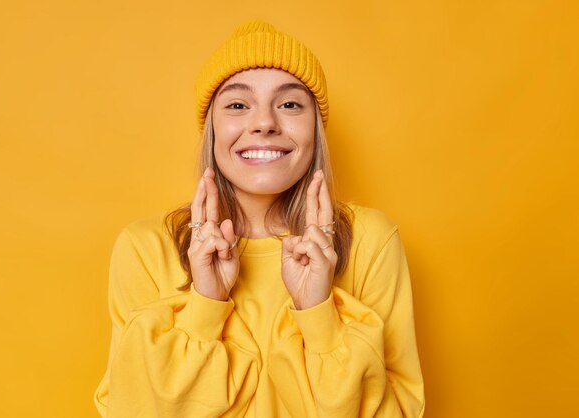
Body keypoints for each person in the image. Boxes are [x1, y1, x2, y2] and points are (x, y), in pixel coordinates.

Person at [94, 20, 425, 417]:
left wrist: (318, 312)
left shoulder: (372, 240)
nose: (265, 122)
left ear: (314, 128)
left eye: (289, 104)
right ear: (212, 129)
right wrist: (204, 305)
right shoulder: (146, 248)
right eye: (237, 105)